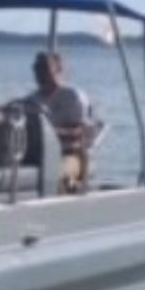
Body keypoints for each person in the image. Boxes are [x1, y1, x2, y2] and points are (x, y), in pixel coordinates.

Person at [25, 50, 99, 193]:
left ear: (58, 69)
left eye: (45, 68)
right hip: (39, 156)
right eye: (36, 68)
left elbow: (80, 134)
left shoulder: (72, 97)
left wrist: (48, 134)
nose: (40, 73)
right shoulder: (31, 100)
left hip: (73, 155)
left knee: (52, 174)